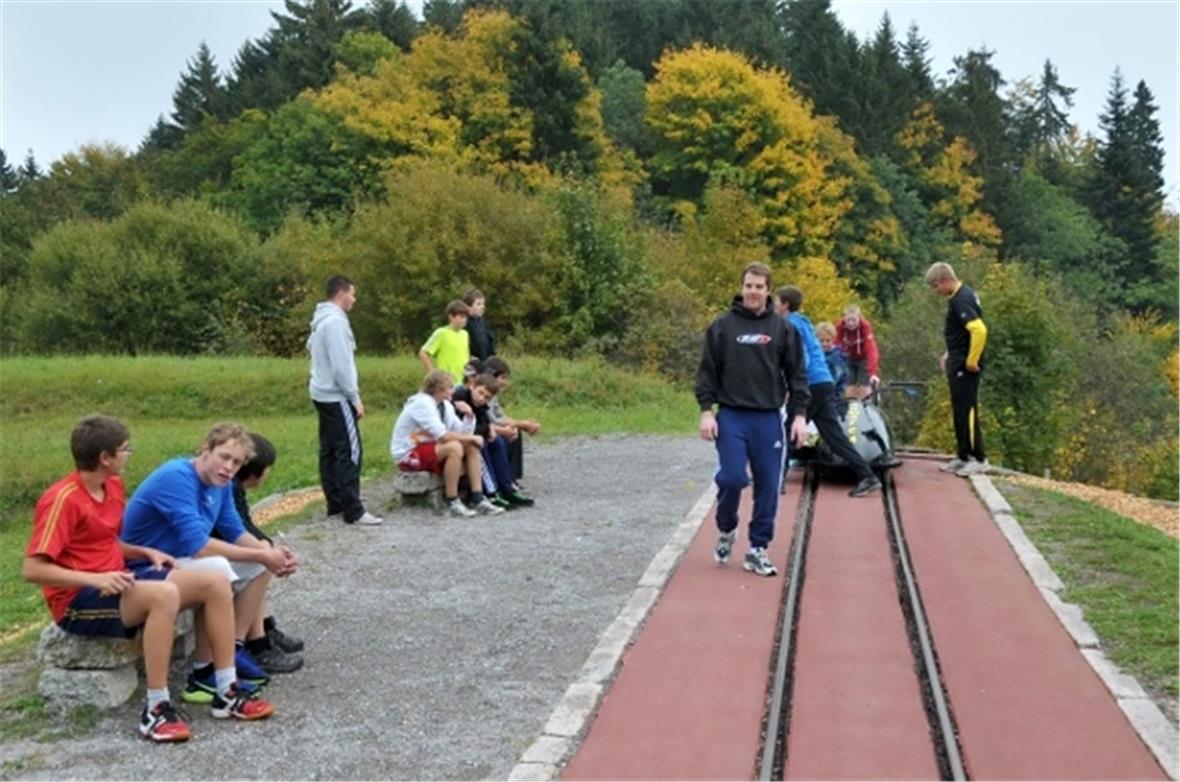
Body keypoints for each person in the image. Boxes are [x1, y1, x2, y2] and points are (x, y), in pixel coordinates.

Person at [23, 416, 274, 743]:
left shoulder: (111, 486)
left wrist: (143, 552)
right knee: (164, 595)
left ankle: (225, 690)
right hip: (77, 598)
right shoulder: (62, 498)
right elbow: (32, 569)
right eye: (125, 449)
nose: (130, 454)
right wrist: (96, 580)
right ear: (105, 457)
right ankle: (156, 709)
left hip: (119, 580)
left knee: (215, 580)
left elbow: (105, 541)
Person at [121, 423, 303, 703]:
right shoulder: (177, 477)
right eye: (224, 457)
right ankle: (209, 672)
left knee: (256, 562)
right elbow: (199, 545)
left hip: (177, 562)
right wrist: (262, 554)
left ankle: (228, 652)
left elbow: (234, 529)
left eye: (237, 462)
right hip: (142, 567)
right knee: (219, 569)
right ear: (204, 450)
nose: (229, 467)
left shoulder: (222, 485)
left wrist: (273, 554)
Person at [695, 263, 810, 577]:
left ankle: (757, 549)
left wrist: (799, 415)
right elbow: (706, 372)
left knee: (769, 486)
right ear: (741, 287)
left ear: (768, 290)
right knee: (732, 478)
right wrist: (707, 411)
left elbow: (798, 375)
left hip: (769, 418)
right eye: (749, 286)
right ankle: (726, 527)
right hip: (732, 416)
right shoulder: (722, 327)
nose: (753, 292)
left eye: (759, 287)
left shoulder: (783, 330)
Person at [777, 287, 881, 497]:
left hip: (810, 383)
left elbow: (800, 357)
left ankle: (776, 480)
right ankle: (867, 476)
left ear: (785, 305)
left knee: (787, 430)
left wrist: (793, 383)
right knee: (834, 437)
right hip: (823, 381)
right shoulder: (804, 322)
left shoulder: (788, 325)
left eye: (776, 302)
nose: (773, 305)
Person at [308, 274, 383, 526]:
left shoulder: (320, 321)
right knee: (350, 451)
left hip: (320, 392)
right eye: (352, 294)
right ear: (341, 294)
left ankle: (335, 503)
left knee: (329, 450)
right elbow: (342, 366)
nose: (354, 299)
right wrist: (354, 397)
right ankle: (354, 510)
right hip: (336, 395)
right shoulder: (336, 323)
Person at [229, 433, 305, 658]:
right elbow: (235, 531)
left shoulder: (233, 487)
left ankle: (266, 629)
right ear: (255, 471)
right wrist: (268, 553)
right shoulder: (229, 487)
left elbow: (243, 526)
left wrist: (269, 548)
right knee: (258, 566)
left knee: (261, 560)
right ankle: (252, 645)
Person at [390, 369, 506, 518]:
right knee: (454, 447)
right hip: (409, 452)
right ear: (438, 388)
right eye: (450, 387)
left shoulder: (446, 406)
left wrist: (469, 417)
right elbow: (443, 436)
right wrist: (471, 438)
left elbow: (461, 432)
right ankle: (452, 500)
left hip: (428, 447)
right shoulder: (422, 403)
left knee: (471, 446)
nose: (453, 390)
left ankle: (477, 497)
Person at [926, 261, 989, 476]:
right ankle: (963, 455)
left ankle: (977, 458)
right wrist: (949, 352)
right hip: (957, 358)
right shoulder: (958, 297)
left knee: (968, 409)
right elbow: (960, 332)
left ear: (944, 281)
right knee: (958, 409)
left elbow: (979, 330)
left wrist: (972, 360)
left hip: (965, 365)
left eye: (935, 286)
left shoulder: (962, 298)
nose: (935, 291)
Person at [454, 363, 532, 509]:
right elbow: (467, 429)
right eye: (480, 393)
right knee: (480, 443)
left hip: (471, 436)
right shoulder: (461, 396)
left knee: (497, 441)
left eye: (486, 397)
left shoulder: (482, 406)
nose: (482, 398)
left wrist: (488, 429)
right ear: (472, 386)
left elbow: (483, 424)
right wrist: (487, 429)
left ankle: (506, 487)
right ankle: (491, 492)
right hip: (459, 438)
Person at [484, 356, 540, 487]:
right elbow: (492, 419)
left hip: (493, 427)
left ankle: (511, 478)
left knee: (514, 430)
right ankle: (503, 482)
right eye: (502, 378)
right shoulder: (484, 393)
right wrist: (523, 424)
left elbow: (501, 416)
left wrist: (523, 424)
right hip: (486, 430)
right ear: (492, 376)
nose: (505, 382)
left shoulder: (494, 396)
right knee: (507, 434)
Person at [419, 300, 472, 383]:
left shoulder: (465, 334)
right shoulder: (441, 333)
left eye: (466, 317)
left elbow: (467, 355)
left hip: (463, 382)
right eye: (461, 317)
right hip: (447, 383)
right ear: (451, 317)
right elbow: (423, 353)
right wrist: (432, 373)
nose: (464, 320)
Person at [836, 303, 880, 401]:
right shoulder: (840, 327)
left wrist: (873, 373)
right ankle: (850, 410)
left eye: (854, 320)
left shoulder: (865, 327)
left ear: (859, 318)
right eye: (848, 320)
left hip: (863, 358)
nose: (851, 323)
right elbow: (836, 347)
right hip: (848, 358)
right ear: (844, 319)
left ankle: (866, 408)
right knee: (848, 387)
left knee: (865, 388)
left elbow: (871, 349)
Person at [815, 321, 850, 418]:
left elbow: (832, 382)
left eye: (827, 341)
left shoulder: (836, 359)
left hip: (835, 401)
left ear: (833, 340)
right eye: (821, 341)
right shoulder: (815, 356)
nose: (824, 344)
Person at [463, 288, 496, 362]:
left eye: (483, 304)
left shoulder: (484, 323)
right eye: (478, 304)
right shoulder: (463, 324)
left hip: (485, 366)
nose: (483, 307)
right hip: (470, 367)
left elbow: (490, 345)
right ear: (468, 306)